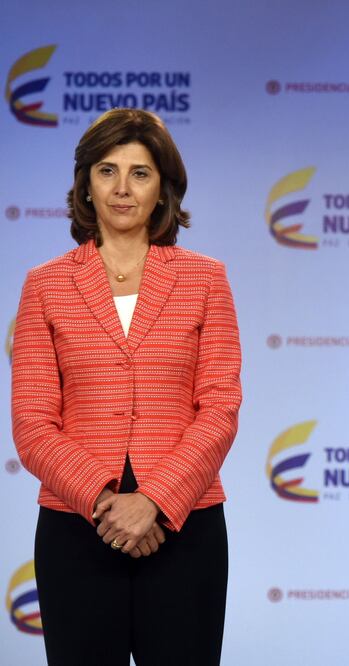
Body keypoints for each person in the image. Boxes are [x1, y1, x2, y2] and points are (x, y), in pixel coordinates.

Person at [11, 108, 242, 666]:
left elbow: (219, 407)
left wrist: (155, 502)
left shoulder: (205, 279)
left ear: (163, 187)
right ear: (85, 184)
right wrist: (106, 502)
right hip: (77, 528)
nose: (122, 188)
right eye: (106, 170)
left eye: (140, 173)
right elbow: (33, 423)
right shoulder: (44, 285)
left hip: (184, 529)